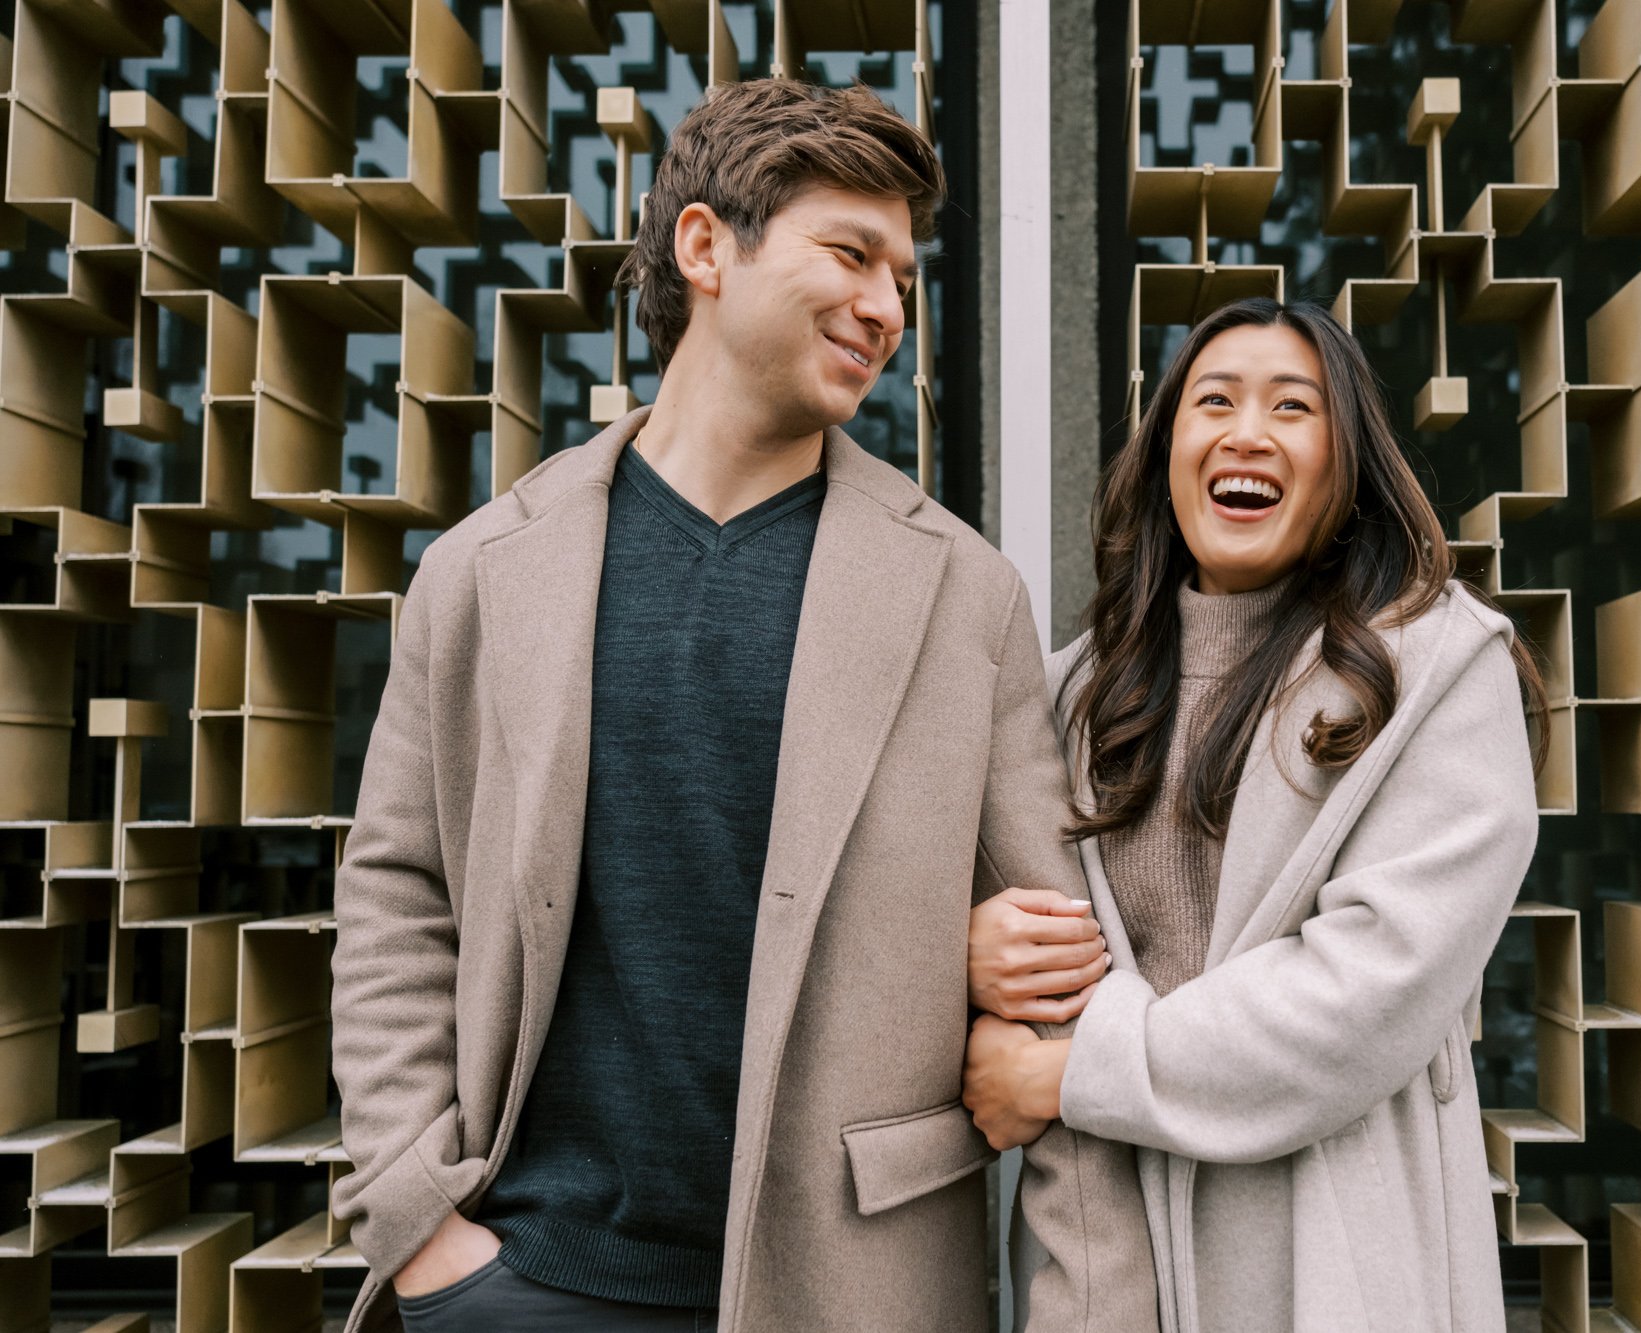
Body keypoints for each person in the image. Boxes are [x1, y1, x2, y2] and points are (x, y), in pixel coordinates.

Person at [331, 78, 1153, 1333]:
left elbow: (1050, 979)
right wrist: (422, 1229)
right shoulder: (481, 570)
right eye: (850, 253)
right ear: (706, 247)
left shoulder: (961, 591)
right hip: (527, 1285)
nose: (886, 308)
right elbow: (399, 895)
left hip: (858, 1290)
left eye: (904, 278)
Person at [963, 296, 1545, 1330]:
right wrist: (975, 950)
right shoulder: (1073, 693)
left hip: (1329, 1258)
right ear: (1167, 451)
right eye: (1213, 401)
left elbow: (1364, 991)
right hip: (1107, 1266)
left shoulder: (1438, 670)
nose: (1245, 432)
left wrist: (1075, 1074)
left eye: (1293, 407)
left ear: (1345, 460)